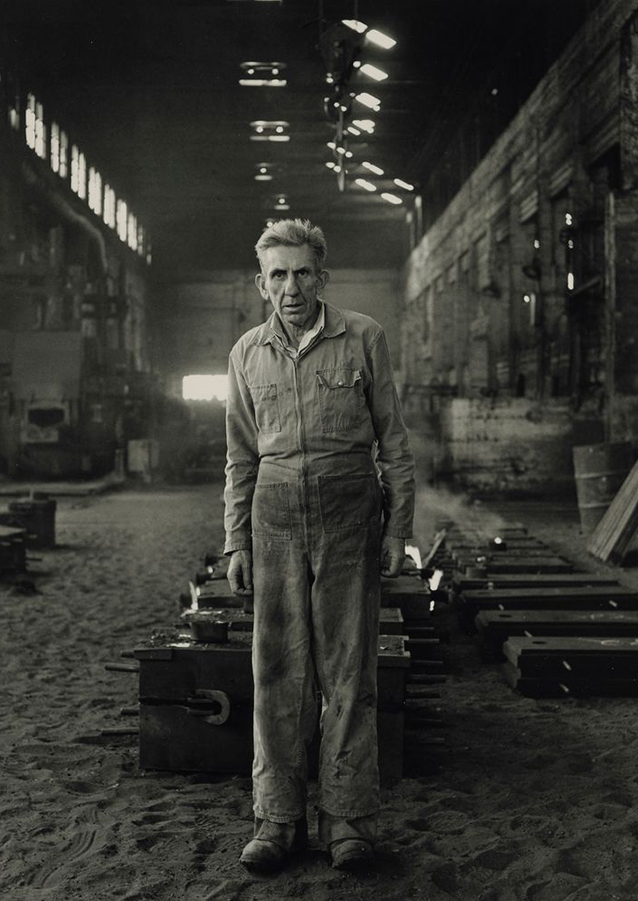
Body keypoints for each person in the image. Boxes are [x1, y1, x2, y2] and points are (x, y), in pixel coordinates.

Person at [223, 218, 415, 872]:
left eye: (302, 272)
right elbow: (239, 458)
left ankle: (347, 817)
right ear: (261, 284)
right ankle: (278, 818)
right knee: (277, 670)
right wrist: (235, 541)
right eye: (278, 275)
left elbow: (394, 444)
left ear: (322, 276)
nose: (291, 286)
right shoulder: (246, 354)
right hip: (274, 512)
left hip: (349, 506)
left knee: (349, 668)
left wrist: (399, 528)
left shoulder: (364, 338)